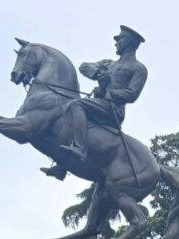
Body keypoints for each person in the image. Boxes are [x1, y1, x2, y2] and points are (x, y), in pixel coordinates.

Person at [59, 26, 148, 166]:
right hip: (99, 105)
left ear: (128, 43)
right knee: (69, 115)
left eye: (120, 39)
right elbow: (84, 66)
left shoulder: (138, 68)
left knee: (77, 105)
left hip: (113, 110)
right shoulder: (108, 64)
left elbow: (132, 94)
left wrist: (108, 93)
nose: (116, 43)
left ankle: (80, 149)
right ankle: (62, 166)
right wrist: (99, 74)